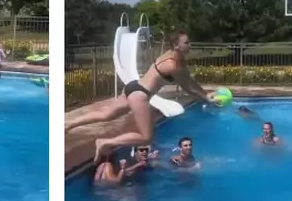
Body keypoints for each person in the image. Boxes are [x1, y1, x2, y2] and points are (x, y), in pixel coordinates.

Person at [65, 31, 220, 161]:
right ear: (176, 45)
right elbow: (188, 87)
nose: (189, 45)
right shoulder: (172, 65)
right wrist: (205, 97)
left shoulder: (177, 58)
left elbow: (190, 81)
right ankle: (104, 142)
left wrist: (205, 94)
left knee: (106, 114)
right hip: (140, 95)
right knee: (146, 137)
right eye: (186, 42)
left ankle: (68, 124)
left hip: (133, 86)